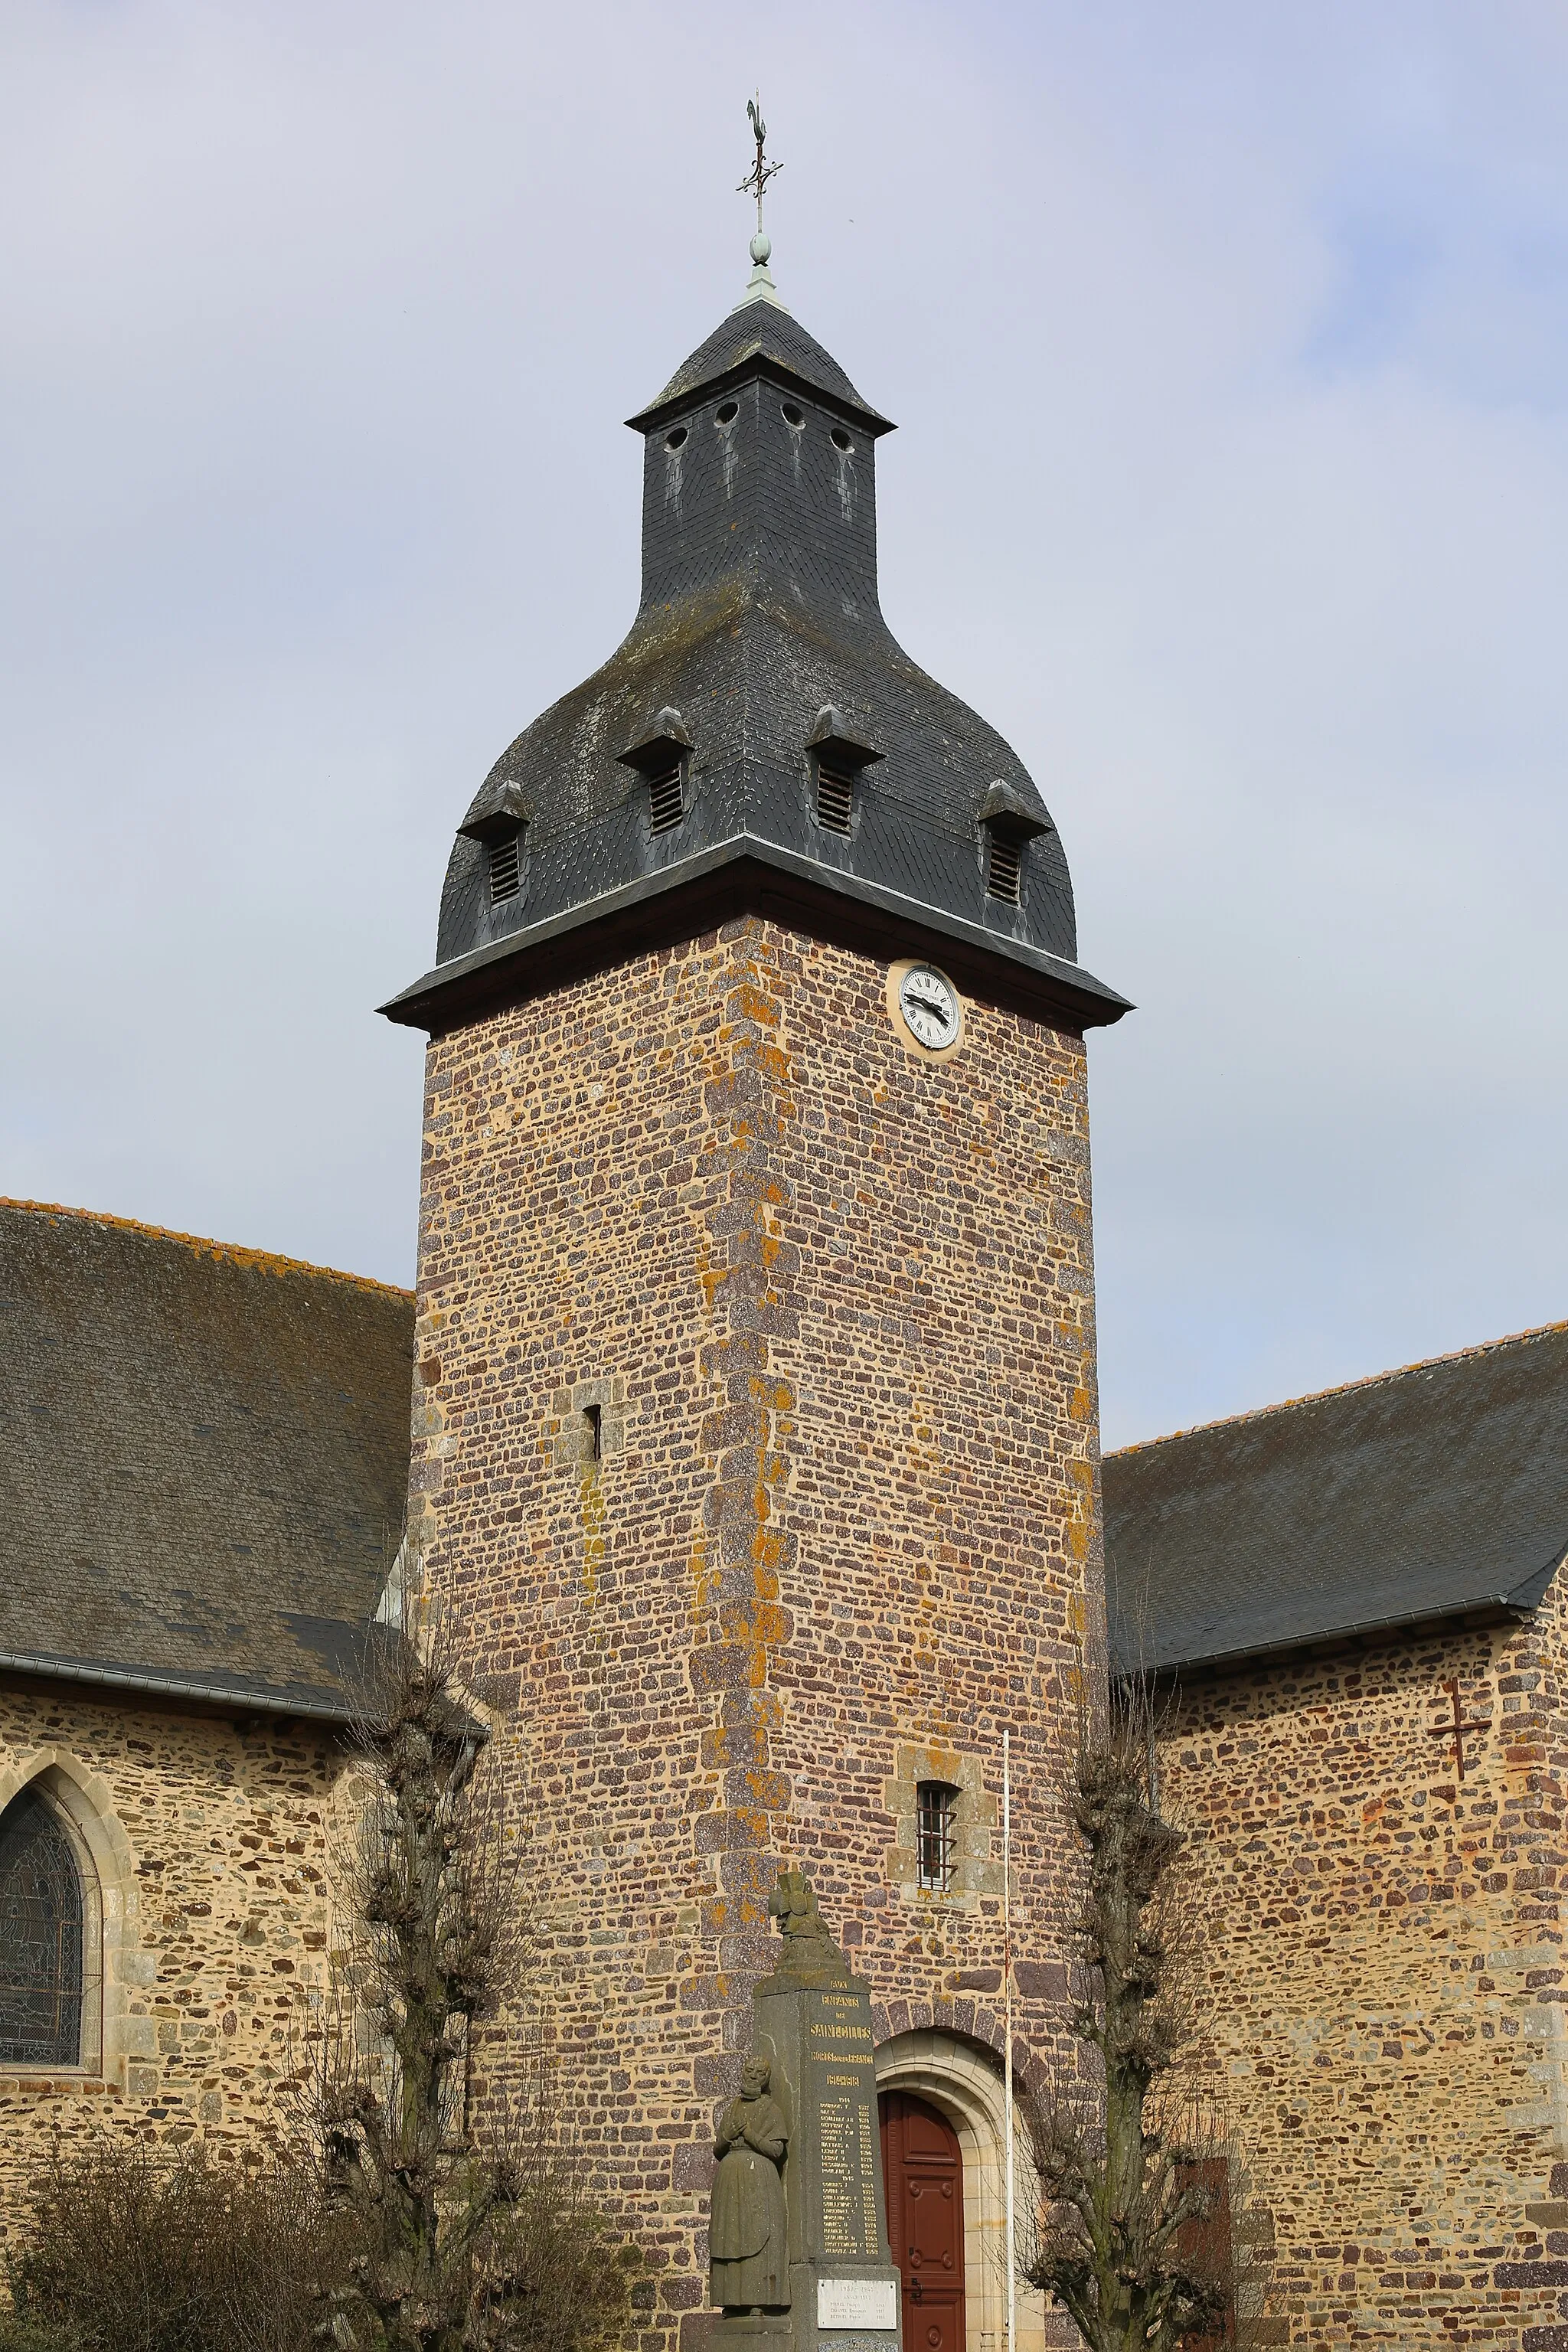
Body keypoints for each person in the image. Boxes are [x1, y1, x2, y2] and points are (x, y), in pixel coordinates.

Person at [710, 2050, 789, 2312]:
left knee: (759, 2238)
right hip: (729, 2182)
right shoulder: (732, 2106)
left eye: (759, 2073)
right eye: (749, 2071)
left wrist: (750, 2134)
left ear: (766, 2079)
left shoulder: (771, 2109)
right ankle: (732, 2301)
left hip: (759, 2182)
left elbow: (776, 2150)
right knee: (728, 2239)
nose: (753, 2077)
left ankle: (759, 2299)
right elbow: (718, 2148)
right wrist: (728, 2135)